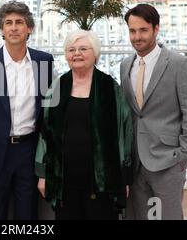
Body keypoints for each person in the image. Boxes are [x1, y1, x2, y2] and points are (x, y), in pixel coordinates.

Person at [0, 1, 54, 220]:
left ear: (29, 28)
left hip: (29, 153)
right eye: (8, 23)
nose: (14, 27)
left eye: (19, 22)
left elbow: (49, 113)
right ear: (2, 30)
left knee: (28, 215)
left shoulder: (44, 62)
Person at [35, 29, 133, 220]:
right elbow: (45, 133)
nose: (76, 54)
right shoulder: (57, 87)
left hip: (102, 179)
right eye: (71, 49)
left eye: (83, 49)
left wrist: (124, 177)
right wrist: (42, 174)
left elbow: (125, 133)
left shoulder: (110, 88)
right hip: (64, 177)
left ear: (95, 53)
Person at [120, 4, 187, 220]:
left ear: (156, 29)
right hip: (136, 163)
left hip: (168, 161)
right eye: (132, 31)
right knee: (141, 217)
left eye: (143, 30)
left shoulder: (179, 64)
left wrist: (183, 157)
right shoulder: (125, 65)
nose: (137, 37)